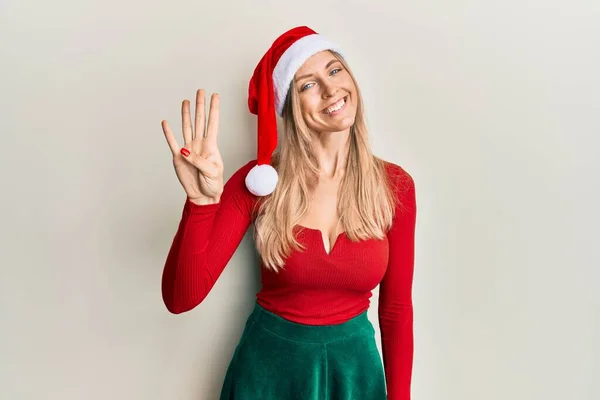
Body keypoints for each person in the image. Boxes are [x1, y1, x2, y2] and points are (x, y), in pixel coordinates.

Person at [160, 26, 417, 400]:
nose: (331, 90)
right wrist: (201, 204)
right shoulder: (257, 184)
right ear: (289, 107)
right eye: (308, 85)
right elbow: (182, 298)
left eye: (334, 70)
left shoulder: (396, 186)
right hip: (268, 378)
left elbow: (396, 310)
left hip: (355, 376)